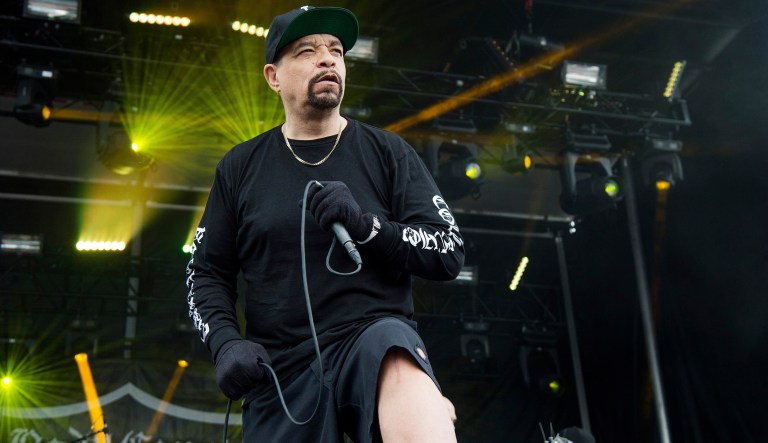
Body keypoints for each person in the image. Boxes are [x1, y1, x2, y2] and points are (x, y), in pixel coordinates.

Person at [185, 6, 464, 442]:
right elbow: (205, 273)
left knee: (395, 355)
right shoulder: (240, 167)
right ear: (273, 76)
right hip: (281, 373)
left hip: (369, 337)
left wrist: (368, 227)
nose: (328, 59)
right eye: (307, 51)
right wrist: (225, 342)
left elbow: (447, 249)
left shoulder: (388, 152)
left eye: (336, 50)